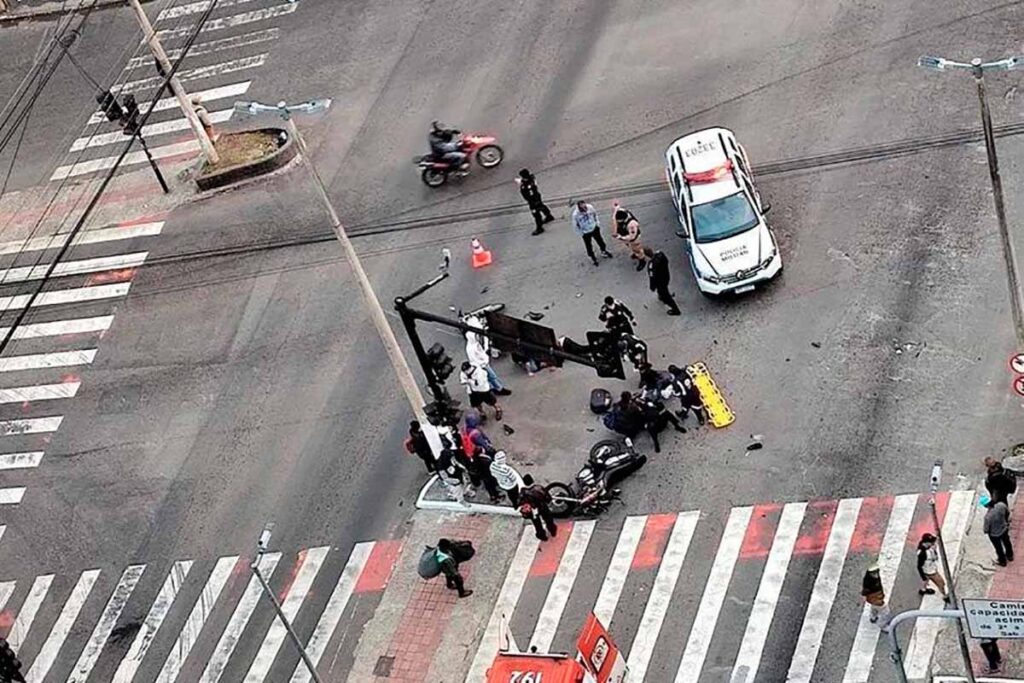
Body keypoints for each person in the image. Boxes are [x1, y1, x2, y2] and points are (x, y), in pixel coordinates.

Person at [465, 320, 510, 396]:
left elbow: (485, 345)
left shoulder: (479, 341)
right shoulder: (471, 348)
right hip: (482, 365)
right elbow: (474, 360)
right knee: (492, 377)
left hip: (484, 363)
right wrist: (483, 363)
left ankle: (494, 388)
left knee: (490, 377)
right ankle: (498, 389)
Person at [571, 200, 613, 266]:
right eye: (583, 209)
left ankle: (603, 251)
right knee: (588, 245)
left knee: (600, 241)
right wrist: (581, 233)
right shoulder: (575, 214)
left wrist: (597, 224)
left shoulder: (590, 207)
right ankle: (592, 257)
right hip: (585, 232)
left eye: (585, 208)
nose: (585, 210)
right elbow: (575, 225)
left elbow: (595, 214)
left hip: (594, 228)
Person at [644, 248, 681, 316]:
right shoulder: (661, 254)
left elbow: (652, 277)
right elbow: (667, 261)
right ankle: (661, 296)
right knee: (663, 290)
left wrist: (652, 287)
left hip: (660, 282)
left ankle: (676, 310)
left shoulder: (651, 265)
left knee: (666, 296)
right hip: (666, 276)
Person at [516, 169, 554, 235]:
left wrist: (533, 202)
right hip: (537, 197)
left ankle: (539, 228)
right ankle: (549, 216)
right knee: (541, 206)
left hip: (533, 200)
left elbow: (530, 193)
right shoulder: (531, 179)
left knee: (536, 214)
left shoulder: (527, 186)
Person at [520, 474, 558, 541]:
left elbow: (520, 502)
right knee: (548, 519)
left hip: (533, 511)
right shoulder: (539, 488)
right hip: (542, 507)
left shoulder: (523, 492)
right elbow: (548, 498)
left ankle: (542, 536)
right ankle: (552, 530)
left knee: (537, 524)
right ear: (532, 480)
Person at [611, 202, 646, 270]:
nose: (618, 222)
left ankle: (642, 260)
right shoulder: (623, 212)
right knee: (631, 247)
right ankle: (636, 254)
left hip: (634, 240)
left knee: (637, 250)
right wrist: (616, 208)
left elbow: (632, 237)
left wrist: (620, 237)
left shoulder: (632, 225)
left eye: (619, 221)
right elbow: (617, 212)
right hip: (626, 237)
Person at [916, 533, 948, 599]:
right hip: (930, 571)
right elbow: (919, 566)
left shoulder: (926, 547)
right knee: (941, 583)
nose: (933, 543)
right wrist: (923, 577)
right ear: (927, 543)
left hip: (929, 568)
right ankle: (945, 596)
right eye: (931, 542)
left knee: (926, 581)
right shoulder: (922, 554)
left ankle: (923, 590)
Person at [984, 498, 1014, 566]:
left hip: (994, 534)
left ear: (986, 506)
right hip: (1004, 528)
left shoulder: (987, 517)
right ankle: (1010, 556)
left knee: (998, 548)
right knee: (1007, 542)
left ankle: (1002, 561)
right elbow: (1008, 512)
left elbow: (986, 529)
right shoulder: (1001, 505)